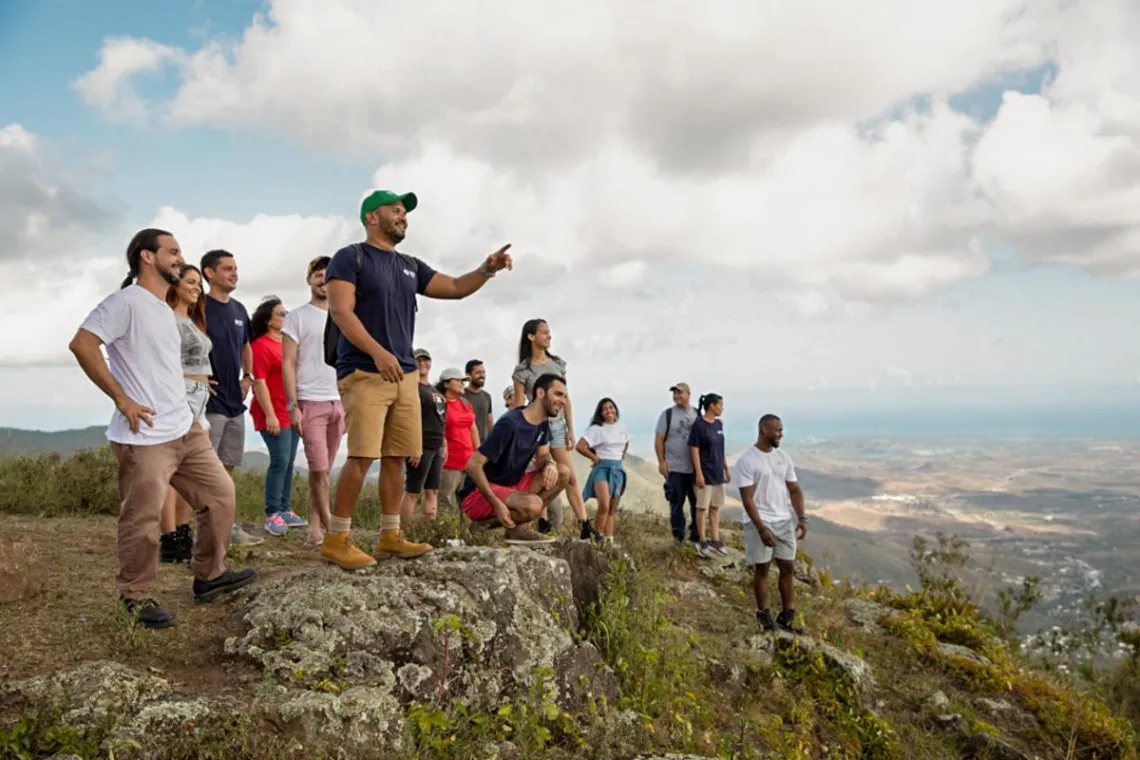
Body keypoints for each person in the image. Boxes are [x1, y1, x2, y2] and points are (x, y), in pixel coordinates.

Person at [68, 228, 256, 629]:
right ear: (146, 257)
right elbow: (83, 344)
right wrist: (122, 399)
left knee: (221, 497)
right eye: (172, 251)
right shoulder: (125, 302)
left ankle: (209, 576)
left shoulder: (162, 308)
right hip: (144, 435)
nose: (179, 257)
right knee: (143, 519)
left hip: (184, 427)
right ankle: (135, 596)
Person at [322, 189, 513, 570]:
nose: (403, 216)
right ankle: (336, 539)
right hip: (364, 371)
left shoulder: (410, 265)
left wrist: (487, 269)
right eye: (395, 209)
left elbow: (457, 288)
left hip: (405, 377)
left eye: (405, 211)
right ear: (371, 217)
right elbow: (341, 311)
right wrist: (378, 352)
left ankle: (391, 535)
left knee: (396, 457)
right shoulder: (351, 257)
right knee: (362, 455)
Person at [460, 374, 571, 544]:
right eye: (558, 394)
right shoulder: (510, 424)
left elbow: (542, 456)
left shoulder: (542, 423)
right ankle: (482, 526)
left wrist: (549, 463)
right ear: (540, 393)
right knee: (533, 505)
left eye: (564, 396)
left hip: (511, 487)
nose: (563, 401)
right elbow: (473, 466)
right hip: (479, 494)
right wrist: (496, 503)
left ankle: (517, 530)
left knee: (563, 472)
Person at [283, 256, 345, 546]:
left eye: (327, 275)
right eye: (318, 274)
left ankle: (314, 529)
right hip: (310, 402)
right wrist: (292, 405)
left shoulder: (344, 314)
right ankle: (334, 530)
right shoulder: (296, 316)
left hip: (339, 402)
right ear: (310, 280)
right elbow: (288, 362)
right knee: (319, 469)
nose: (322, 279)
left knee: (323, 471)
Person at [512, 319, 593, 538]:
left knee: (570, 477)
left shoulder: (557, 364)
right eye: (544, 333)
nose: (549, 336)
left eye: (549, 332)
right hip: (534, 427)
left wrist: (570, 429)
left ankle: (585, 525)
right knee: (542, 475)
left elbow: (565, 398)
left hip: (557, 427)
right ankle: (542, 522)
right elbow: (519, 407)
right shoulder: (523, 370)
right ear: (531, 336)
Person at [200, 249, 260, 546]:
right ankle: (193, 530)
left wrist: (247, 376)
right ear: (209, 273)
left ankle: (224, 527)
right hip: (208, 402)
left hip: (236, 403)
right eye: (227, 268)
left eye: (235, 268)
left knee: (227, 467)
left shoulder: (238, 309)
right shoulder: (199, 305)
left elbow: (246, 345)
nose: (234, 273)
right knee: (202, 469)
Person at [159, 264, 214, 563]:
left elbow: (196, 360)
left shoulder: (191, 320)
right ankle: (169, 539)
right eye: (190, 282)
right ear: (175, 285)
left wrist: (205, 380)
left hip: (200, 397)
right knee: (172, 472)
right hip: (181, 396)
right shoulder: (167, 318)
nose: (196, 287)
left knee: (188, 473)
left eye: (198, 284)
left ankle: (182, 532)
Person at [733, 414, 807, 634]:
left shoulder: (783, 457)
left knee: (788, 568)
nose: (781, 434)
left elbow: (794, 490)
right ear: (764, 429)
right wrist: (761, 528)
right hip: (761, 521)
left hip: (784, 520)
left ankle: (787, 615)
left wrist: (801, 517)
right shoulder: (747, 460)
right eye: (777, 430)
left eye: (782, 430)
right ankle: (763, 615)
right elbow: (747, 498)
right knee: (762, 569)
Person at [249, 296, 305, 537]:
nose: (286, 316)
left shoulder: (289, 344)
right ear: (269, 321)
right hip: (271, 412)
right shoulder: (260, 345)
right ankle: (272, 513)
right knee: (280, 460)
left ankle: (285, 509)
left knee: (290, 461)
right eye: (282, 313)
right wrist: (270, 415)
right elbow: (258, 381)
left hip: (290, 409)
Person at [400, 349, 447, 523]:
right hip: (420, 444)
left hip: (437, 445)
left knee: (432, 490)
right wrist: (414, 447)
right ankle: (403, 531)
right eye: (418, 360)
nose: (422, 363)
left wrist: (444, 443)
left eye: (426, 360)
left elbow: (441, 418)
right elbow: (410, 418)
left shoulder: (434, 390)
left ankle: (429, 528)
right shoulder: (411, 387)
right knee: (413, 490)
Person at [576, 398, 628, 545]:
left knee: (612, 507)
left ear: (615, 409)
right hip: (602, 468)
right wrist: (594, 457)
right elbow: (580, 446)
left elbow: (626, 442)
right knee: (604, 504)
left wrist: (622, 454)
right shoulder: (596, 429)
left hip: (617, 469)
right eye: (604, 409)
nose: (609, 411)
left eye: (611, 407)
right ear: (600, 413)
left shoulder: (621, 428)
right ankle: (597, 536)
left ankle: (609, 540)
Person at [655, 383, 699, 545]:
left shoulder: (697, 414)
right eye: (674, 393)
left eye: (680, 393)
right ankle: (678, 536)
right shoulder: (667, 415)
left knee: (697, 503)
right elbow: (659, 439)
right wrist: (661, 462)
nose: (676, 396)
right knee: (676, 503)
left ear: (688, 394)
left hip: (694, 469)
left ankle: (696, 534)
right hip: (674, 468)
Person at [689, 392, 730, 559]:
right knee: (702, 508)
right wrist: (699, 473)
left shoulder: (718, 424)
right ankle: (702, 540)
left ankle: (715, 539)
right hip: (704, 473)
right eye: (720, 405)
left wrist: (726, 468)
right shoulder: (699, 426)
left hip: (717, 473)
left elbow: (721, 449)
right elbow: (694, 449)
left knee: (715, 507)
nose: (722, 408)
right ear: (712, 405)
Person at [438, 367, 479, 510]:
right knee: (445, 500)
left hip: (468, 460)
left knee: (467, 502)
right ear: (446, 384)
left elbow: (473, 428)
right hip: (450, 461)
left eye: (464, 381)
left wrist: (478, 453)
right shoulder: (440, 403)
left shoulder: (466, 404)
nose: (463, 384)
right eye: (459, 380)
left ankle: (464, 533)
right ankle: (443, 532)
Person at [464, 359, 495, 442]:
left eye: (483, 372)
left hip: (483, 446)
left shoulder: (487, 396)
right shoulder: (461, 396)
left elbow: (490, 422)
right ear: (468, 375)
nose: (482, 375)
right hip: (466, 445)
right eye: (478, 373)